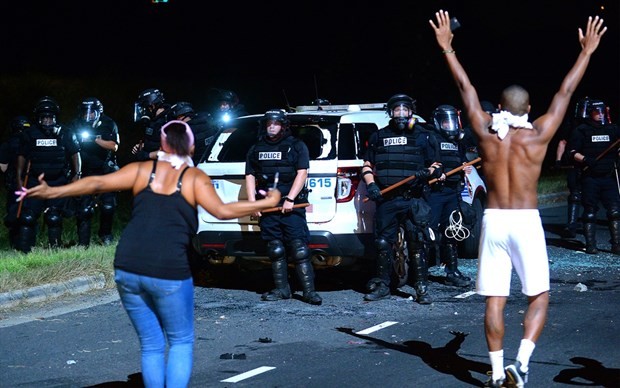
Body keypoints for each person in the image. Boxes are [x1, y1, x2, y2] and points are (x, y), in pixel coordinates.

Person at [18, 120, 281, 387]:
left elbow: (97, 183)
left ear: (163, 144)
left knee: (151, 344)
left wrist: (53, 190)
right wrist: (267, 202)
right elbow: (222, 211)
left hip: (127, 265)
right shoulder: (192, 177)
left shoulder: (142, 170)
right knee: (180, 341)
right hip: (168, 267)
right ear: (191, 146)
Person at [430, 10, 606, 387]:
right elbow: (565, 92)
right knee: (538, 296)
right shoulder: (538, 133)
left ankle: (496, 374)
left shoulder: (485, 132)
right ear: (528, 109)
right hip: (526, 220)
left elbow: (466, 91)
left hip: (493, 220)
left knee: (495, 300)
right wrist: (586, 53)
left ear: (499, 107)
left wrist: (448, 49)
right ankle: (521, 364)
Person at [361, 94, 443, 304]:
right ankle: (383, 286)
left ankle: (421, 288)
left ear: (411, 112)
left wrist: (429, 173)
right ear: (390, 113)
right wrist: (371, 185)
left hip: (414, 199)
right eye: (396, 110)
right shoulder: (379, 137)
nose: (401, 114)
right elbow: (367, 166)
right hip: (387, 199)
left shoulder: (424, 136)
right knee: (382, 243)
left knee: (417, 243)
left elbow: (437, 165)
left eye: (404, 109)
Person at [245, 109, 322, 305]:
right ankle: (281, 289)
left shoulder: (296, 146)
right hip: (268, 205)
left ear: (283, 125)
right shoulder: (256, 148)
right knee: (275, 249)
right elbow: (250, 175)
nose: (272, 126)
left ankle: (309, 291)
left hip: (291, 205)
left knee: (299, 249)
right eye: (269, 123)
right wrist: (253, 202)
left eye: (276, 123)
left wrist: (290, 198)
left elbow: (302, 173)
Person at [14, 96, 81, 253]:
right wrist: (18, 178)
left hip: (58, 180)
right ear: (38, 118)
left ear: (55, 117)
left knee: (53, 217)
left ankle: (54, 250)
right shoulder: (29, 134)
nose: (47, 121)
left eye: (50, 117)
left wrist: (77, 173)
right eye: (43, 118)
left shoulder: (66, 133)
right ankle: (24, 251)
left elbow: (75, 154)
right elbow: (21, 157)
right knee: (28, 217)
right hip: (34, 181)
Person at [427, 104, 473, 287]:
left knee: (452, 230)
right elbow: (426, 162)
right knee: (428, 232)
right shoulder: (431, 139)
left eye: (452, 121)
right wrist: (436, 173)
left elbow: (461, 160)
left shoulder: (456, 142)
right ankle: (421, 274)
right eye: (446, 122)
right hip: (435, 193)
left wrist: (465, 167)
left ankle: (452, 271)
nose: (450, 125)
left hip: (453, 192)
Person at [567, 99, 620, 254]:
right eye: (596, 112)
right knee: (590, 211)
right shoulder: (582, 130)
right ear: (590, 113)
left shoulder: (613, 129)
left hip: (608, 176)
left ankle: (616, 244)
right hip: (590, 177)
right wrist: (584, 159)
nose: (600, 115)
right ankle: (591, 244)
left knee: (615, 211)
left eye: (602, 111)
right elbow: (571, 152)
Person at [70, 97, 120, 246]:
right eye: (85, 112)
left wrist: (94, 139)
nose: (88, 115)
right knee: (84, 209)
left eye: (91, 112)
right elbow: (69, 145)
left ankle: (105, 235)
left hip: (105, 170)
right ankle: (83, 242)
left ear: (98, 112)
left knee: (108, 206)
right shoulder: (75, 124)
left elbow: (114, 146)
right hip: (85, 171)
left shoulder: (108, 123)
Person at [554, 97, 591, 238]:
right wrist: (558, 160)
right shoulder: (572, 123)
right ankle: (571, 225)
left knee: (590, 194)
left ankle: (588, 222)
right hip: (574, 164)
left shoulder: (598, 124)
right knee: (575, 194)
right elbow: (563, 142)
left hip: (592, 164)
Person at [1, 116, 31, 248]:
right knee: (29, 211)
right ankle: (28, 242)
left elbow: (3, 167)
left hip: (14, 182)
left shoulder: (7, 144)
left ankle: (15, 242)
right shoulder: (31, 142)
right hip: (31, 181)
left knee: (14, 209)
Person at [131, 88, 170, 161]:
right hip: (151, 165)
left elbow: (171, 151)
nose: (145, 110)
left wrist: (147, 155)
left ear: (152, 105)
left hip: (164, 166)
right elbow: (154, 141)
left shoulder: (169, 120)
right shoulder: (152, 120)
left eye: (146, 107)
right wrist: (142, 146)